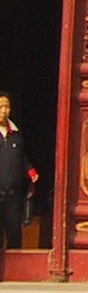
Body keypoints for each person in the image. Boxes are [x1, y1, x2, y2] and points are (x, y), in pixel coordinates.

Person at [0, 94, 36, 271]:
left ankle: (15, 270)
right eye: (0, 107)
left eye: (7, 107)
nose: (4, 111)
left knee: (13, 229)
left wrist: (30, 171)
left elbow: (21, 157)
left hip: (12, 192)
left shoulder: (15, 134)